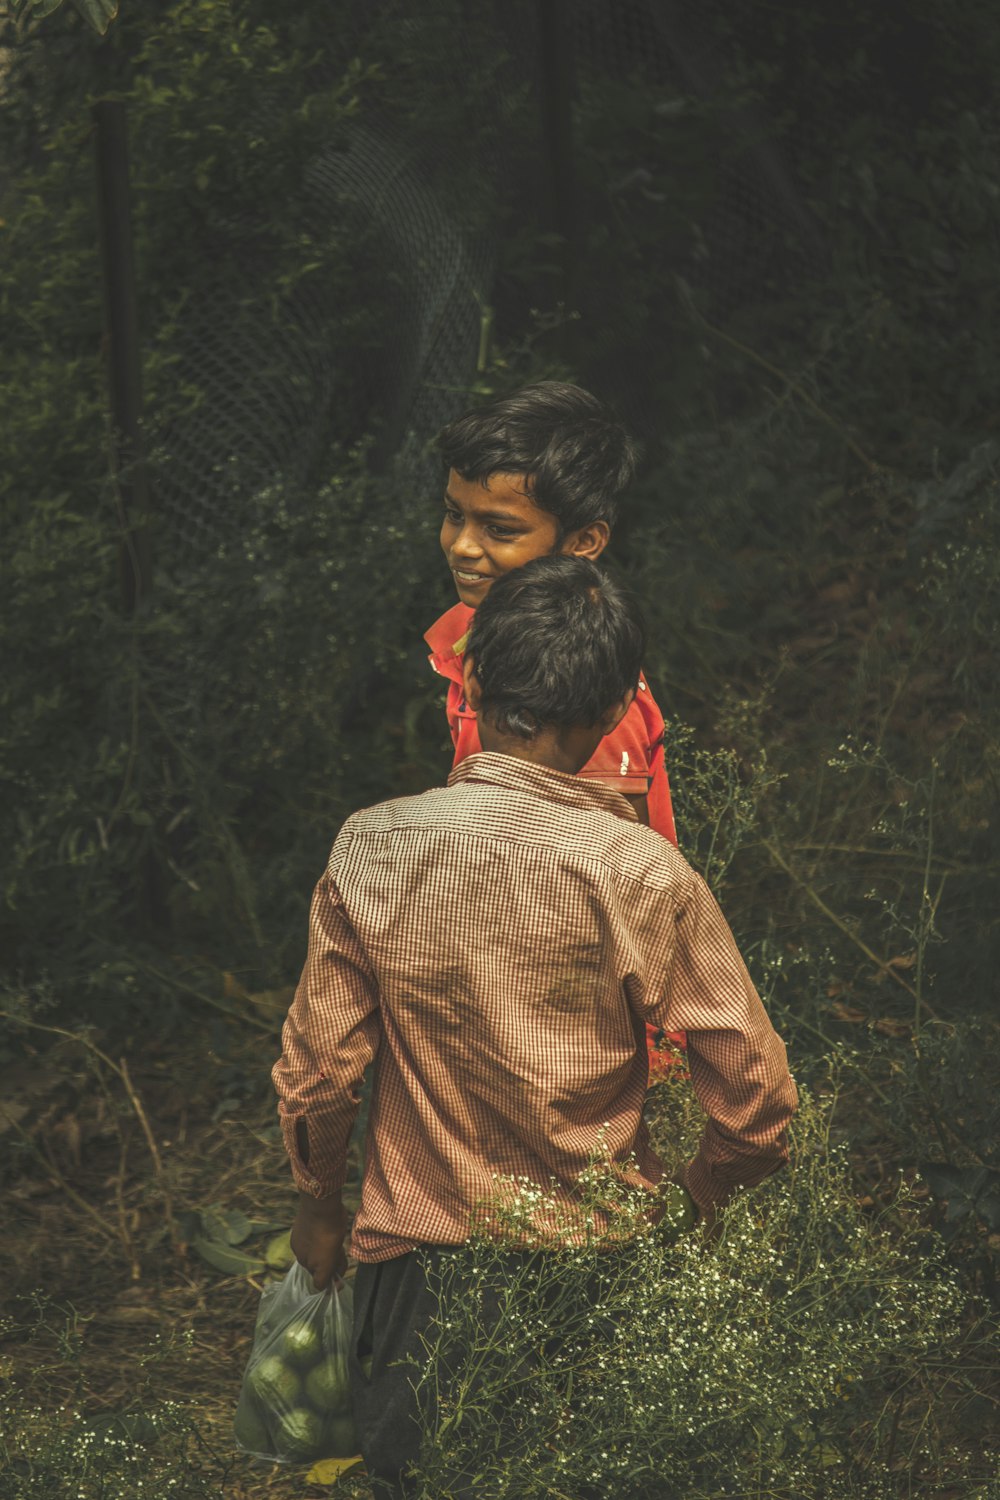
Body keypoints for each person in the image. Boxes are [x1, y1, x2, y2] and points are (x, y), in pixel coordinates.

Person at [273, 555, 798, 1497]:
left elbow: (319, 1076)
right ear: (609, 720)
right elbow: (758, 1101)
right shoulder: (646, 874)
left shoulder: (372, 845)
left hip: (420, 1273)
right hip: (602, 1266)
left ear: (472, 684)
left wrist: (320, 1205)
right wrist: (697, 1200)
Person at [425, 379, 684, 1075]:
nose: (464, 547)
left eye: (500, 529)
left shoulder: (596, 703)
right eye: (455, 516)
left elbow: (613, 886)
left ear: (584, 543)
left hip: (582, 1026)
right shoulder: (472, 641)